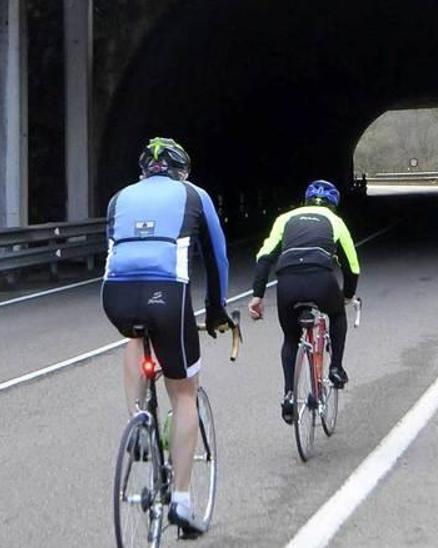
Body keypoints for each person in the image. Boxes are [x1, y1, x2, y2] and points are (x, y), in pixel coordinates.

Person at [101, 137, 231, 537]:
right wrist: (216, 310)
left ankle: (137, 420)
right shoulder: (194, 195)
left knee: (134, 337)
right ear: (182, 170)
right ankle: (182, 502)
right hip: (167, 294)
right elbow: (217, 256)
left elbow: (114, 248)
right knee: (185, 391)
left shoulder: (118, 198)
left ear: (144, 171)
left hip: (116, 294)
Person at [247, 180, 361, 424]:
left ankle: (289, 394)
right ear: (333, 204)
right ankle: (336, 369)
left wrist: (257, 295)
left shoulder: (285, 218)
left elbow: (264, 256)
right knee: (338, 315)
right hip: (321, 280)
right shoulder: (334, 221)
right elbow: (352, 265)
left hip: (287, 283)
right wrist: (348, 295)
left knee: (290, 338)